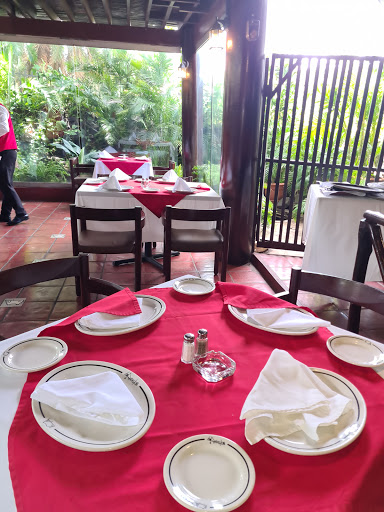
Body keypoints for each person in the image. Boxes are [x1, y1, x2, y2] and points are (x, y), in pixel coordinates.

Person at [0, 103, 28, 226]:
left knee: (5, 183)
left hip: (7, 150)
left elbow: (4, 128)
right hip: (5, 151)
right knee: (5, 183)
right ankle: (5, 214)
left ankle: (21, 213)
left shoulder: (0, 108)